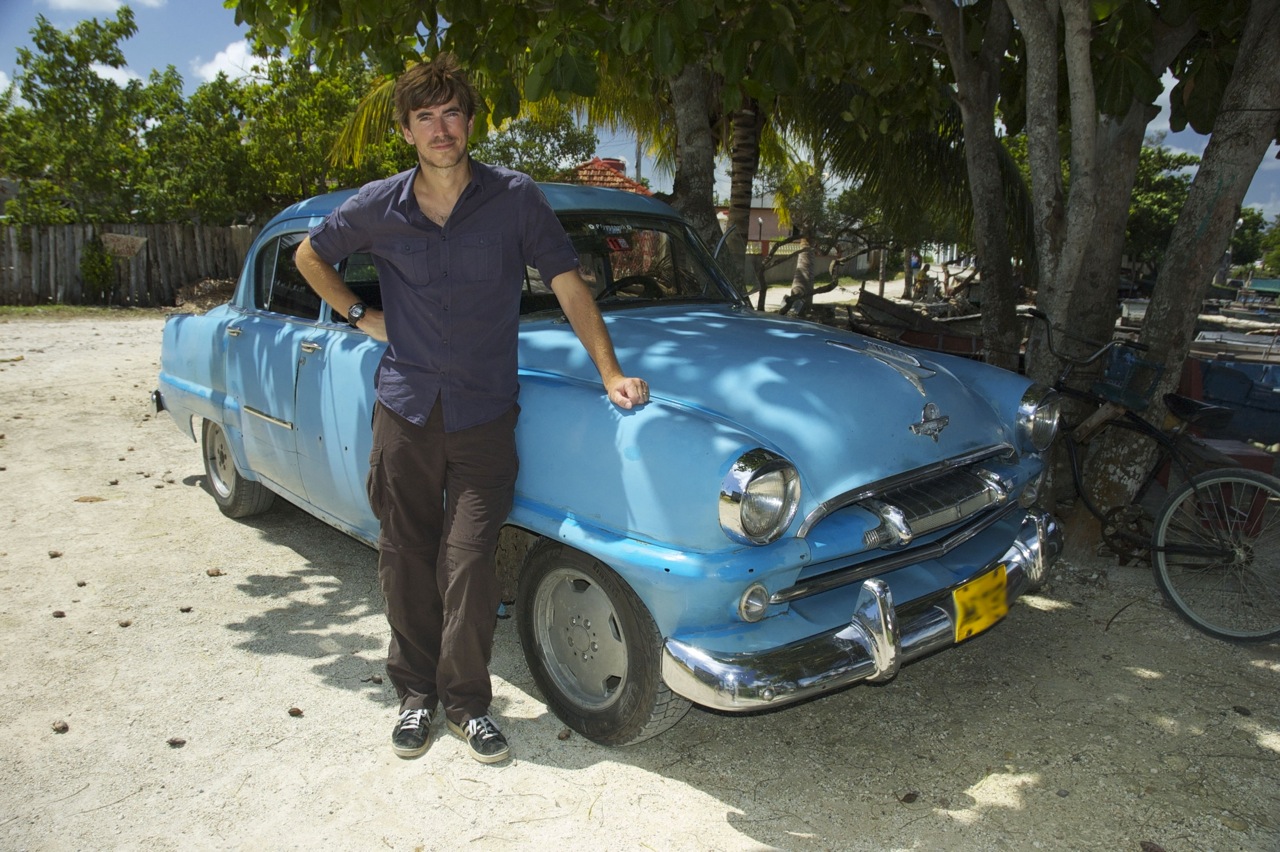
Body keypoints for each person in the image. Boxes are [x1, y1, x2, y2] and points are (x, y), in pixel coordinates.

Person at [294, 54, 649, 764]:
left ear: (469, 122)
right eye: (424, 116)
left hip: (485, 413)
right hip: (406, 412)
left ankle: (466, 703)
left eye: (451, 112)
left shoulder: (514, 198)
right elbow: (310, 256)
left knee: (470, 564)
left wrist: (610, 371)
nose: (440, 128)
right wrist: (364, 314)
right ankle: (414, 696)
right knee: (405, 558)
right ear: (406, 131)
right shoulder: (378, 205)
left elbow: (569, 283)